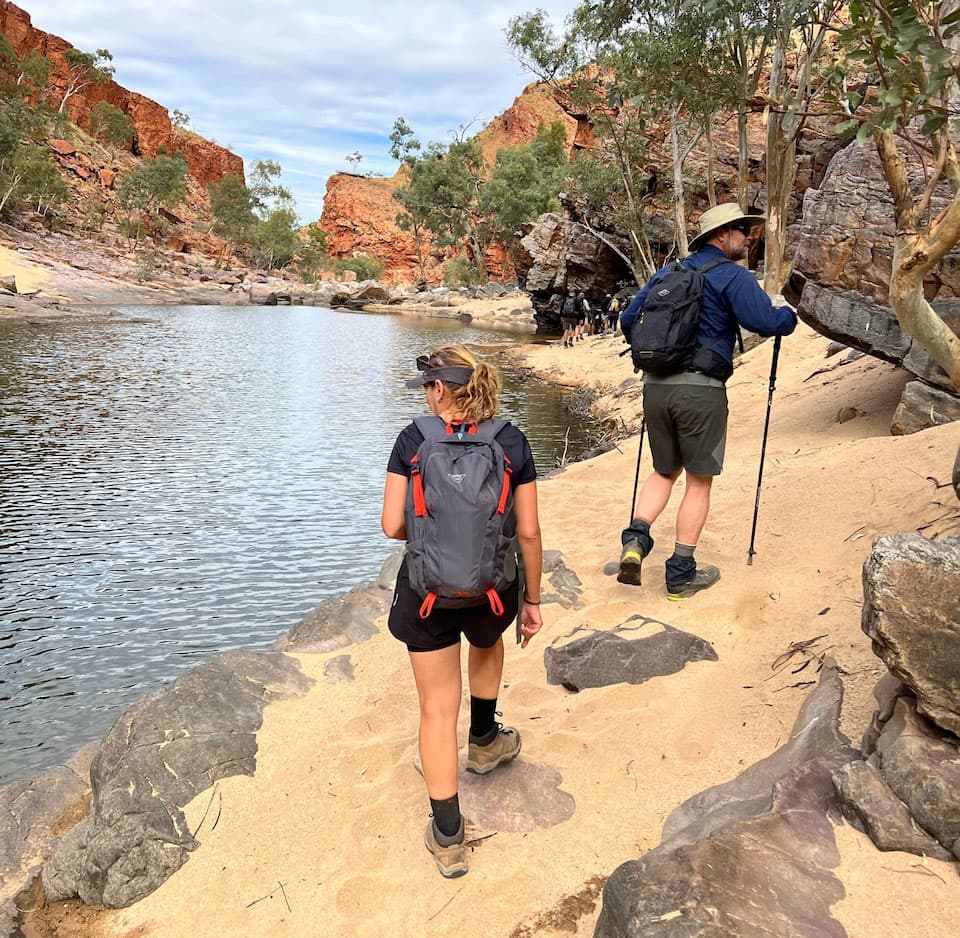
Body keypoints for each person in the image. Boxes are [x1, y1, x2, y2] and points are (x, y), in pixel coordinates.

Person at [381, 345, 544, 878]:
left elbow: (391, 525)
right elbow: (528, 532)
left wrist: (430, 532)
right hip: (491, 590)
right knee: (486, 640)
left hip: (427, 593)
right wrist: (533, 601)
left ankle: (448, 836)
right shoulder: (511, 441)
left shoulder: (412, 440)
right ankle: (483, 741)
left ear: (438, 390)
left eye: (427, 388)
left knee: (434, 708)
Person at [617, 202, 797, 599]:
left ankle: (635, 540)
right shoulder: (731, 276)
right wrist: (789, 318)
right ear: (721, 236)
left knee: (664, 471)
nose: (748, 237)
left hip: (655, 387)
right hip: (700, 390)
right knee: (698, 481)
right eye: (741, 230)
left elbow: (629, 321)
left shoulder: (667, 273)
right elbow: (765, 322)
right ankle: (681, 573)